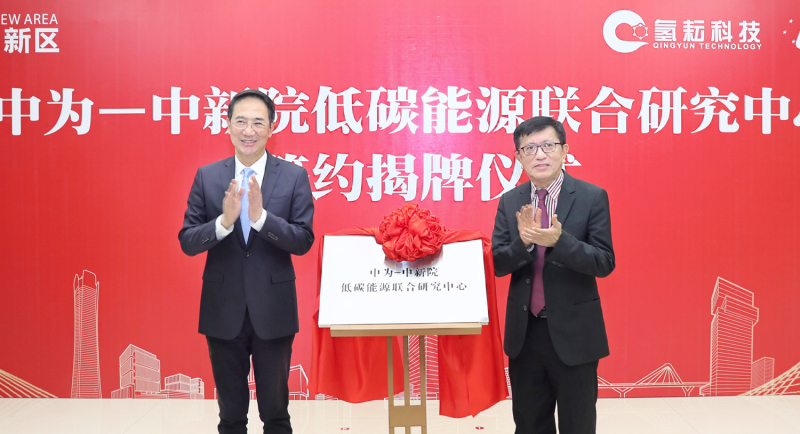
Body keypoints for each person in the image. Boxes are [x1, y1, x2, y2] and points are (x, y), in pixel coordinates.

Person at [179, 89, 314, 434]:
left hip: (274, 309)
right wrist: (223, 223)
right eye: (240, 121)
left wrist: (261, 219)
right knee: (231, 416)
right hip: (223, 309)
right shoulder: (208, 176)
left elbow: (303, 240)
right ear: (227, 125)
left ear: (272, 127)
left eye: (258, 122)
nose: (248, 131)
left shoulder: (294, 176)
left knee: (276, 414)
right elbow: (188, 241)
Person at [492, 116, 614, 434]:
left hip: (575, 333)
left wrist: (560, 242)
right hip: (525, 334)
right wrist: (524, 243)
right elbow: (498, 264)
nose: (540, 155)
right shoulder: (510, 201)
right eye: (529, 148)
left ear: (564, 151)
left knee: (578, 425)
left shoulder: (591, 197)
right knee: (530, 425)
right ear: (518, 157)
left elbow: (604, 262)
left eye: (548, 145)